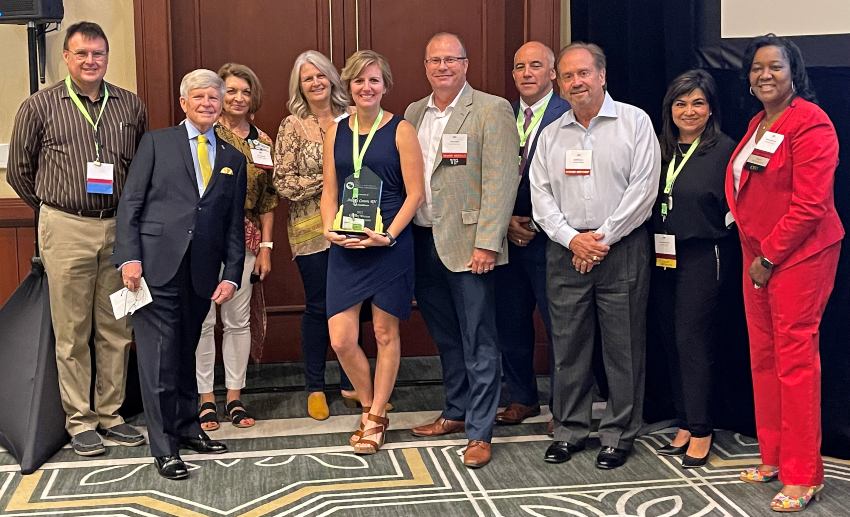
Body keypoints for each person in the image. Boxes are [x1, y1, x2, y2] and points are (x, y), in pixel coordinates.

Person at [7, 21, 147, 456]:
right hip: (65, 226)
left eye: (99, 54)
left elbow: (141, 172)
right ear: (67, 57)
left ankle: (111, 414)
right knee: (71, 332)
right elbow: (19, 172)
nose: (91, 61)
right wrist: (55, 211)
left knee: (117, 327)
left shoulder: (130, 105)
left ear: (108, 57)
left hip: (119, 228)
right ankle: (80, 421)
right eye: (82, 53)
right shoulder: (39, 106)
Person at [530, 42, 660, 469]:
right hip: (566, 253)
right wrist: (573, 239)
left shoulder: (635, 123)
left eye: (583, 73)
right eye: (567, 76)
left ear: (602, 75)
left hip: (620, 249)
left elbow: (643, 190)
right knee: (568, 347)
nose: (576, 82)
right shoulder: (551, 134)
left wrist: (599, 238)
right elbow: (541, 196)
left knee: (623, 346)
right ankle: (569, 430)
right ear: (559, 82)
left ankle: (619, 434)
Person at [113, 69, 247, 480]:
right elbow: (130, 204)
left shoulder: (232, 159)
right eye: (199, 97)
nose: (207, 103)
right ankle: (164, 446)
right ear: (184, 103)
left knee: (185, 353)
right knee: (157, 360)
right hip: (152, 269)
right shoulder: (156, 142)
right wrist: (128, 258)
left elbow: (233, 225)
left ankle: (189, 428)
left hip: (201, 274)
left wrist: (232, 274)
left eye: (214, 98)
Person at [727, 34, 842, 512]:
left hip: (798, 257)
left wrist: (770, 257)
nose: (764, 75)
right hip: (758, 256)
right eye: (757, 67)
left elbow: (811, 203)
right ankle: (773, 454)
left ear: (794, 72)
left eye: (775, 66)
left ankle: (803, 474)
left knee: (795, 364)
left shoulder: (811, 122)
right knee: (764, 357)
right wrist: (757, 252)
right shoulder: (758, 123)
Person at [407, 32, 519, 468]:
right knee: (446, 336)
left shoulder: (491, 109)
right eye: (434, 60)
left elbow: (501, 180)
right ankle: (455, 411)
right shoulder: (415, 112)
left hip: (471, 246)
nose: (442, 67)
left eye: (451, 60)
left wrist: (489, 242)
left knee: (479, 339)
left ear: (466, 65)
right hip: (423, 241)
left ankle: (480, 429)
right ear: (425, 66)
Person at [321, 50, 424, 454]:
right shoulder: (335, 130)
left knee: (385, 332)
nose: (367, 88)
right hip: (346, 244)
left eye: (374, 81)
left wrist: (391, 236)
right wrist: (331, 229)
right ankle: (368, 404)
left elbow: (415, 193)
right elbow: (330, 190)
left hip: (388, 246)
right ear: (348, 86)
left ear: (385, 86)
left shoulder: (401, 130)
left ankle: (377, 416)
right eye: (359, 81)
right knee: (342, 339)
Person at [648, 70, 736, 467]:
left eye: (697, 102)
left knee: (691, 340)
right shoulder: (659, 148)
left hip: (704, 254)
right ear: (670, 109)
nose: (688, 110)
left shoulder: (724, 151)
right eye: (680, 103)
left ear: (711, 108)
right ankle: (684, 420)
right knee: (669, 337)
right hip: (662, 255)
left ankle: (702, 429)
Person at [274, 50, 361, 421]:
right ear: (300, 86)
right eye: (307, 78)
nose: (315, 82)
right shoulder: (292, 125)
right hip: (311, 231)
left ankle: (351, 383)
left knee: (352, 305)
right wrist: (330, 180)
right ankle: (314, 386)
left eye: (320, 75)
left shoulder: (356, 117)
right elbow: (284, 182)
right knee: (319, 306)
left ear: (332, 79)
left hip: (356, 224)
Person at [195, 63, 278, 431]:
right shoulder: (204, 134)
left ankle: (233, 396)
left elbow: (269, 202)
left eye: (245, 91)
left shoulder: (263, 142)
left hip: (245, 237)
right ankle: (205, 398)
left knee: (237, 321)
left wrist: (266, 247)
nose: (239, 98)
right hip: (203, 234)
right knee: (203, 319)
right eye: (231, 91)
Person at [495, 41, 570, 429]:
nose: (526, 73)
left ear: (552, 74)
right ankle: (522, 397)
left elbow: (573, 182)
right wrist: (504, 220)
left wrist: (539, 224)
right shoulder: (500, 115)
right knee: (510, 321)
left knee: (560, 325)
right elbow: (487, 175)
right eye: (519, 66)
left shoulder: (568, 114)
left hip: (553, 239)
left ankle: (563, 407)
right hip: (506, 236)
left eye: (536, 65)